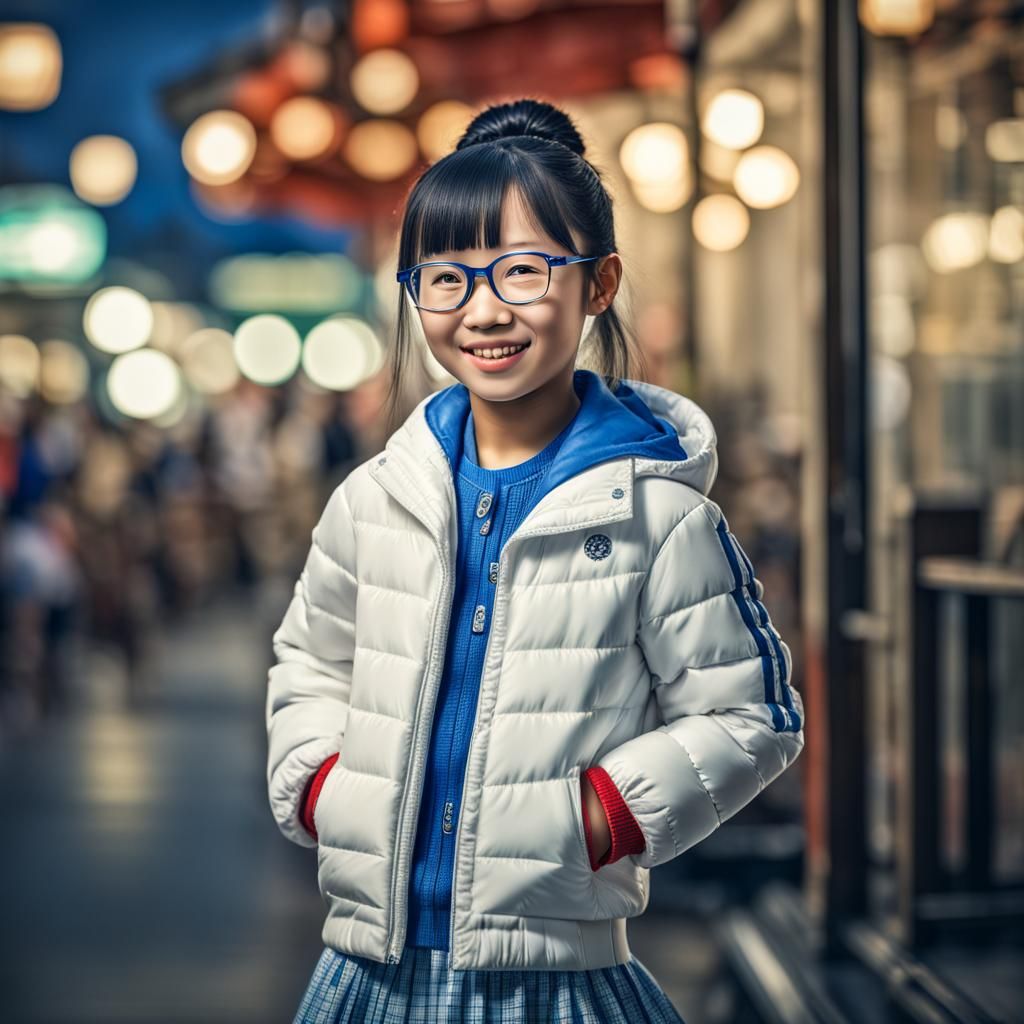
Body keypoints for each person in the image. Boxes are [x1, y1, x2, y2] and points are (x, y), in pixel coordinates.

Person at [266, 97, 805, 1023]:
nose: (483, 310)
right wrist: (321, 789)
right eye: (446, 279)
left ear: (599, 284)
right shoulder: (373, 498)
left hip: (555, 984)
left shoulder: (661, 516)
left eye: (522, 272)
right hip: (364, 972)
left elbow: (752, 715)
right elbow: (309, 664)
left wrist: (603, 818)